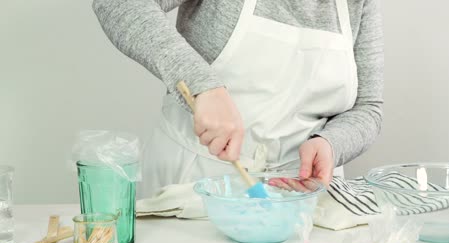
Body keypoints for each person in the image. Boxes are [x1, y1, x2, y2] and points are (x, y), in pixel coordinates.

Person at [92, 0, 383, 196]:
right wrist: (201, 85)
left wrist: (330, 144)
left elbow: (367, 108)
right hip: (193, 187)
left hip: (302, 198)